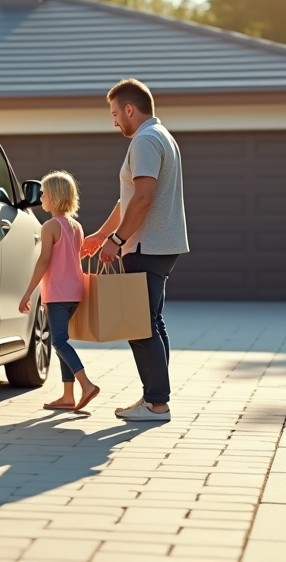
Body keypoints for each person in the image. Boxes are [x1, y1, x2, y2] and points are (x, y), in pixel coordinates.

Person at [82, 79, 188, 422]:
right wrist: (102, 234)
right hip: (160, 245)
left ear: (130, 109)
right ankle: (154, 397)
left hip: (145, 245)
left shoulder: (144, 140)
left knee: (139, 325)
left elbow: (143, 199)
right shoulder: (163, 136)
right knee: (151, 323)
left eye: (115, 113)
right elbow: (128, 196)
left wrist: (117, 241)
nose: (114, 121)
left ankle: (157, 404)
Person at [18, 171, 101, 413]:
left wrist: (28, 293)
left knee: (60, 342)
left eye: (43, 193)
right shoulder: (76, 226)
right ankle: (68, 395)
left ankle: (86, 385)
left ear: (53, 197)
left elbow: (43, 261)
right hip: (75, 292)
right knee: (63, 342)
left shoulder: (49, 226)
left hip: (57, 293)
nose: (40, 197)